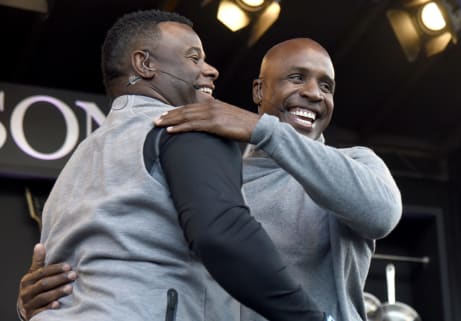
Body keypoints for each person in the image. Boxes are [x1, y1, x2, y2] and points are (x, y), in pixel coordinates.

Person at [18, 37, 402, 321]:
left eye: (326, 86)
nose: (313, 93)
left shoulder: (353, 162)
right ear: (258, 90)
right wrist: (39, 305)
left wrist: (263, 129)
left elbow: (381, 214)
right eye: (297, 77)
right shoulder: (217, 176)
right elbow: (140, 257)